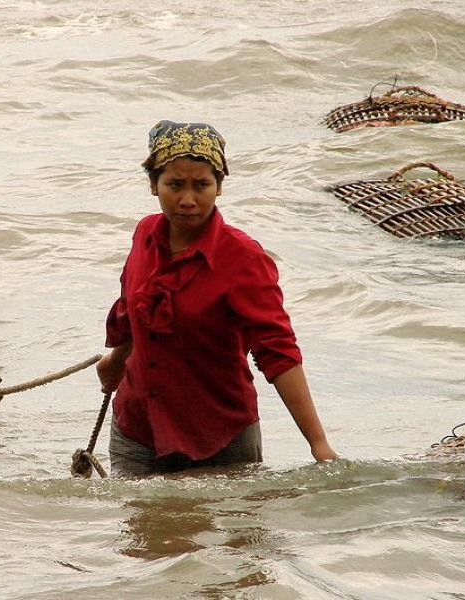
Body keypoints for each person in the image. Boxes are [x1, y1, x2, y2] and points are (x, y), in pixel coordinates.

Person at [96, 120, 337, 478]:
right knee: (144, 530)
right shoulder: (145, 234)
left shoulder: (242, 258)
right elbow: (135, 310)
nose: (188, 200)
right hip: (137, 431)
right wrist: (117, 357)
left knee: (236, 530)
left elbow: (278, 351)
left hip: (218, 436)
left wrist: (318, 443)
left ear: (219, 186)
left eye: (202, 185)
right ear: (153, 185)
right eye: (175, 185)